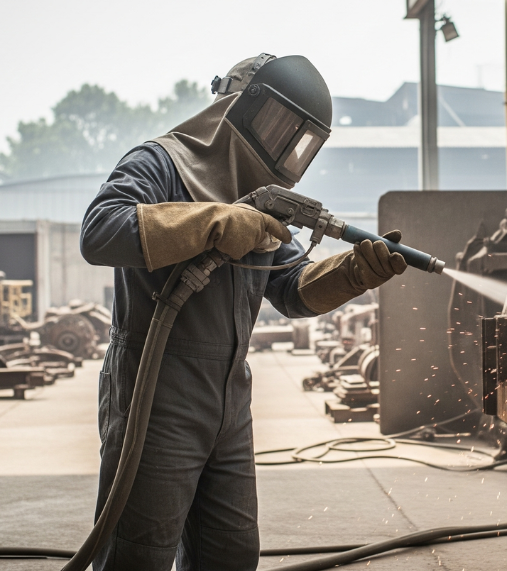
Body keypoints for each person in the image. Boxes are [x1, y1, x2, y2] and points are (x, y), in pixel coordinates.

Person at [80, 54, 407, 570]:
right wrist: (213, 222)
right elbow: (100, 230)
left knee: (231, 553)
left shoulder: (263, 203)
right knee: (136, 557)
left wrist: (355, 272)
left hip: (230, 399)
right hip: (156, 393)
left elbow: (293, 288)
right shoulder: (160, 163)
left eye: (300, 141)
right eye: (280, 126)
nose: (285, 148)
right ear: (240, 105)